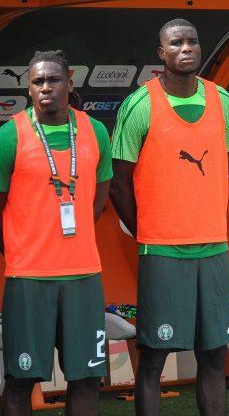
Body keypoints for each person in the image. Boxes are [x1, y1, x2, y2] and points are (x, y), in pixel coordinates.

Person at [109, 18, 229, 416]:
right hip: (163, 252)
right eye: (176, 43)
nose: (186, 48)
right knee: (154, 355)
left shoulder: (221, 99)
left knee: (214, 353)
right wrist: (148, 232)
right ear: (160, 53)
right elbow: (118, 184)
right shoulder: (140, 104)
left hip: (213, 249)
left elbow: (221, 166)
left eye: (192, 41)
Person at [0, 50, 112, 416]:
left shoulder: (95, 131)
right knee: (21, 379)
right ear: (29, 89)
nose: (46, 87)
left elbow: (97, 203)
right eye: (38, 81)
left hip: (84, 276)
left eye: (53, 79)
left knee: (87, 378)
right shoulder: (9, 135)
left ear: (69, 83)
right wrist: (23, 251)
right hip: (29, 278)